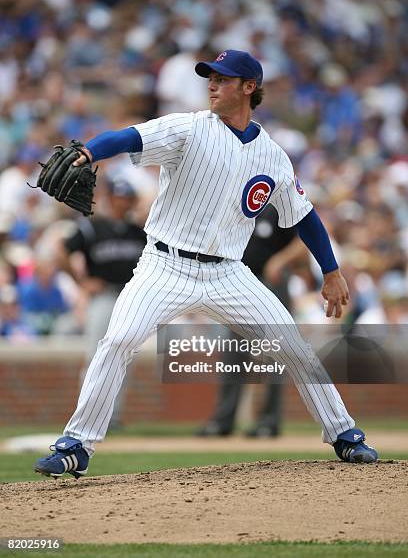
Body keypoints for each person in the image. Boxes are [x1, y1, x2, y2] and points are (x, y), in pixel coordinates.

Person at [35, 49, 378, 479]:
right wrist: (89, 152)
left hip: (229, 273)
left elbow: (303, 215)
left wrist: (331, 271)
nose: (212, 84)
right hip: (165, 265)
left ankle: (344, 434)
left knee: (292, 344)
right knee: (118, 340)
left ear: (249, 88)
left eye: (223, 78)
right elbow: (129, 138)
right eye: (210, 78)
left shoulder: (272, 155)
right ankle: (77, 444)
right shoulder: (189, 128)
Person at [197, 205, 303, 437]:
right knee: (233, 352)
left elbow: (303, 240)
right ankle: (223, 421)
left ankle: (269, 422)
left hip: (271, 282)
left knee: (275, 354)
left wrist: (280, 259)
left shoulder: (277, 204)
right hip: (239, 283)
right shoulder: (235, 203)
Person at [58, 177, 147, 426]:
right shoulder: (92, 227)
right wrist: (81, 281)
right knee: (96, 356)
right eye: (120, 197)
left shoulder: (138, 231)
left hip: (130, 298)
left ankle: (112, 417)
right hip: (104, 296)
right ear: (110, 198)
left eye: (128, 198)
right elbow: (61, 250)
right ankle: (86, 419)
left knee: (126, 356)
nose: (124, 202)